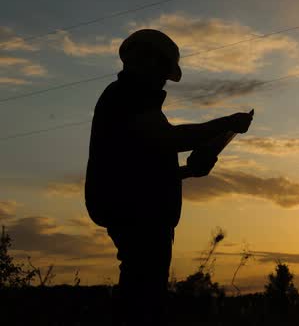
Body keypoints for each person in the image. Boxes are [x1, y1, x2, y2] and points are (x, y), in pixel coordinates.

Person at [84, 29, 253, 326]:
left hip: (142, 213)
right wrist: (225, 124)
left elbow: (143, 169)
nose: (163, 80)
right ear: (146, 61)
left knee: (144, 293)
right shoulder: (125, 96)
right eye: (162, 71)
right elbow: (168, 140)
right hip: (137, 215)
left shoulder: (135, 102)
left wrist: (188, 171)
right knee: (142, 299)